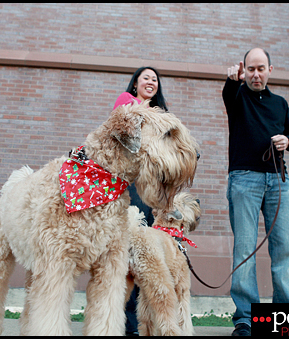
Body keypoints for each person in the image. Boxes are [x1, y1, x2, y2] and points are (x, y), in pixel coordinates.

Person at [223, 48, 289, 336]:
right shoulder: (237, 95)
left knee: (285, 249)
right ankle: (246, 319)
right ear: (244, 70)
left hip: (279, 180)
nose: (256, 74)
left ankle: (286, 321)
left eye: (261, 68)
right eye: (251, 69)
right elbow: (229, 91)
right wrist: (232, 80)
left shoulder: (280, 103)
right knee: (245, 248)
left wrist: (286, 140)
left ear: (270, 69)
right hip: (244, 180)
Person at [113, 66, 169, 335]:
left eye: (155, 79)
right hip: (129, 186)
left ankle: (140, 324)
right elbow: (127, 132)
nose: (151, 81)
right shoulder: (126, 102)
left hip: (151, 191)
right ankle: (123, 322)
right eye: (146, 78)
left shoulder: (163, 117)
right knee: (127, 252)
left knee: (144, 256)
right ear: (135, 84)